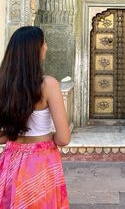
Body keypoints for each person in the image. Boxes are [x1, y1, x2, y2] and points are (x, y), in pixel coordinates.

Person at [0, 26, 70, 208]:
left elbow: (3, 134)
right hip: (41, 161)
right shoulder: (48, 85)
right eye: (44, 42)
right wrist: (47, 139)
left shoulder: (3, 84)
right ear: (35, 49)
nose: (46, 46)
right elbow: (63, 138)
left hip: (9, 161)